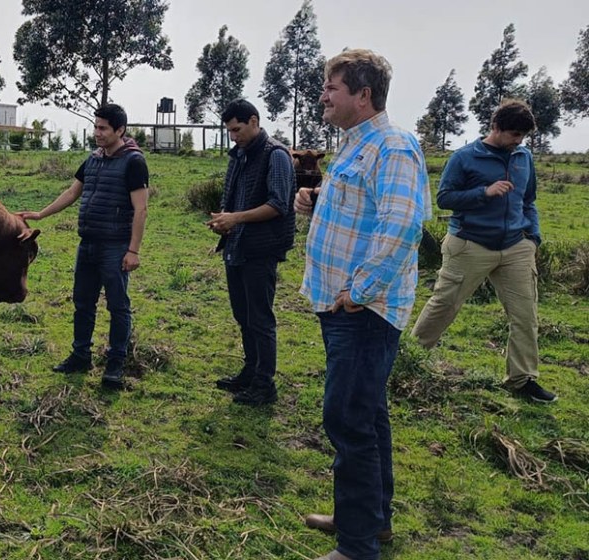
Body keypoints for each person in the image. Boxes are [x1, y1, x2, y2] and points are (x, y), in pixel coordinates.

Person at [295, 49, 431, 560]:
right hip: (340, 305)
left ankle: (356, 547)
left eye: (332, 88)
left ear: (363, 94)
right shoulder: (356, 147)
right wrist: (313, 201)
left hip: (363, 310)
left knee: (348, 417)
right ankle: (371, 521)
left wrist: (362, 289)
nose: (323, 97)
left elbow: (400, 226)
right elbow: (364, 212)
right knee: (368, 414)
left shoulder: (392, 146)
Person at [410, 100, 554, 403]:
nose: (518, 141)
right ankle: (409, 360)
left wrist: (533, 238)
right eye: (514, 134)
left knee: (525, 316)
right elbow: (445, 198)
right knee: (444, 305)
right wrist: (484, 193)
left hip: (516, 246)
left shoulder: (523, 157)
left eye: (523, 136)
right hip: (470, 243)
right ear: (495, 127)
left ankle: (522, 379)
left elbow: (529, 201)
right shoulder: (464, 157)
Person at [16, 103, 149, 390]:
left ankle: (115, 364)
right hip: (87, 244)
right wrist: (41, 214)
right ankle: (80, 355)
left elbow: (141, 209)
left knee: (118, 306)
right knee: (82, 303)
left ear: (120, 130)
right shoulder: (94, 159)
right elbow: (72, 191)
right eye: (96, 126)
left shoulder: (134, 162)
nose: (97, 133)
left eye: (103, 128)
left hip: (115, 247)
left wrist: (133, 250)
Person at [207, 99, 296, 405]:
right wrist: (223, 221)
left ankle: (264, 384)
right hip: (236, 245)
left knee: (260, 317)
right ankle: (251, 370)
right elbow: (234, 201)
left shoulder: (276, 155)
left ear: (254, 121)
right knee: (242, 315)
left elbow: (278, 204)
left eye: (237, 129)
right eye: (229, 131)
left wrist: (236, 218)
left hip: (261, 248)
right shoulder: (239, 156)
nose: (233, 136)